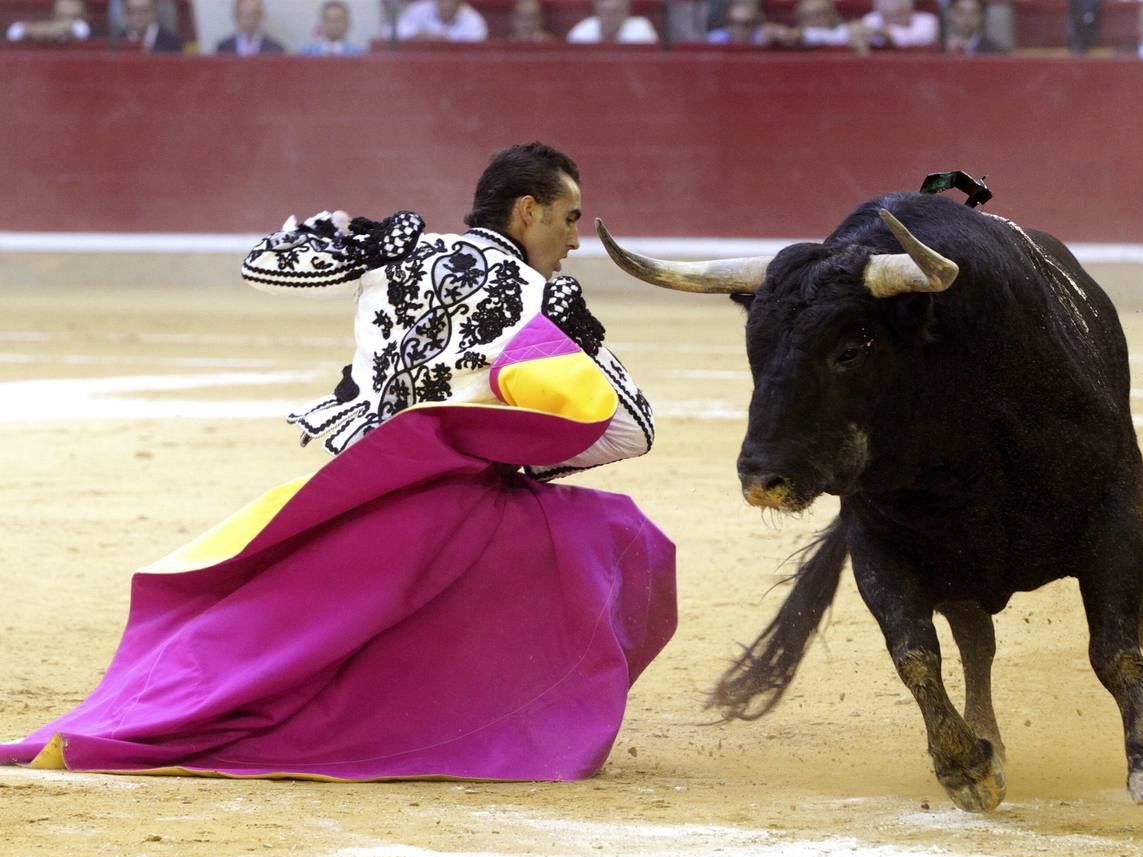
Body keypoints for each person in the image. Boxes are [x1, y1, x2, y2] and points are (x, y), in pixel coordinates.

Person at [0, 143, 676, 783]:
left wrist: (350, 238)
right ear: (526, 211)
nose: (573, 240)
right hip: (463, 513)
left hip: (353, 495)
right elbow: (630, 431)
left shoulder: (401, 257)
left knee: (260, 643)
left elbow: (265, 266)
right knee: (618, 539)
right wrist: (574, 373)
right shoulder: (532, 301)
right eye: (567, 219)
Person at [566, 0, 658, 43]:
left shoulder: (641, 29)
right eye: (605, 11)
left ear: (626, 12)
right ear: (597, 11)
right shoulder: (583, 30)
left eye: (616, 11)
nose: (610, 17)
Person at [215, 0, 286, 55]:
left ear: (261, 16)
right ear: (236, 17)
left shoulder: (275, 49)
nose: (250, 20)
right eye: (245, 15)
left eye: (253, 14)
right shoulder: (223, 48)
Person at [394, 0, 489, 41]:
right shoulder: (419, 10)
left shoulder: (473, 20)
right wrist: (418, 35)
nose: (446, 5)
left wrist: (446, 41)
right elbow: (389, 32)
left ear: (460, 3)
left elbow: (475, 46)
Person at [860, 0, 939, 47]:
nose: (892, 20)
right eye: (886, 15)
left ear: (910, 9)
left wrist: (884, 34)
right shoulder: (872, 19)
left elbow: (910, 39)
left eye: (898, 14)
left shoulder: (927, 21)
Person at [5, 0, 91, 43]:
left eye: (74, 17)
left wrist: (46, 30)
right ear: (53, 15)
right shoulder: (48, 27)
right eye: (61, 16)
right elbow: (14, 32)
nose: (67, 21)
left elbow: (79, 28)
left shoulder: (89, 30)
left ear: (85, 15)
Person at [297, 0, 364, 54]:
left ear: (347, 24)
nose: (333, 25)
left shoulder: (358, 54)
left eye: (338, 20)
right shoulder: (305, 53)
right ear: (321, 24)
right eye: (328, 20)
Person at [119, 0, 183, 52]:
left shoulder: (172, 43)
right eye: (132, 11)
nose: (138, 16)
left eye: (144, 11)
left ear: (154, 10)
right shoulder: (117, 42)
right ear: (125, 13)